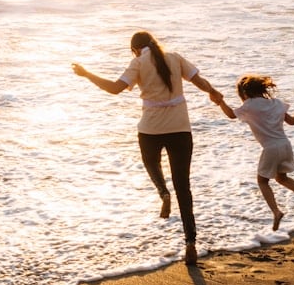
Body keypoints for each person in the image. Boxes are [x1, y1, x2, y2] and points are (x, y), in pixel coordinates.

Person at [72, 31, 223, 265]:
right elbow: (198, 81)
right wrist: (213, 92)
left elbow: (114, 88)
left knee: (151, 163)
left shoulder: (138, 62)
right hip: (180, 129)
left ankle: (163, 192)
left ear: (135, 49)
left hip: (151, 130)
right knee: (184, 188)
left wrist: (86, 73)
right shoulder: (174, 57)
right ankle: (190, 242)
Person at [215, 74, 294, 231]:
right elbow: (291, 122)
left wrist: (220, 102)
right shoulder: (276, 103)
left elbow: (231, 114)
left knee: (262, 181)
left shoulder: (250, 105)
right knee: (282, 178)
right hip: (285, 145)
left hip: (270, 148)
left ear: (244, 93)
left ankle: (276, 212)